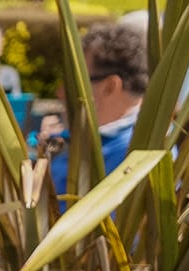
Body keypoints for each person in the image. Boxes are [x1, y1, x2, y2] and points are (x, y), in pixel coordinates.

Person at [43, 22, 146, 191]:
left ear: (110, 86)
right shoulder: (95, 139)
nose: (60, 92)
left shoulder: (136, 157)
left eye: (73, 81)